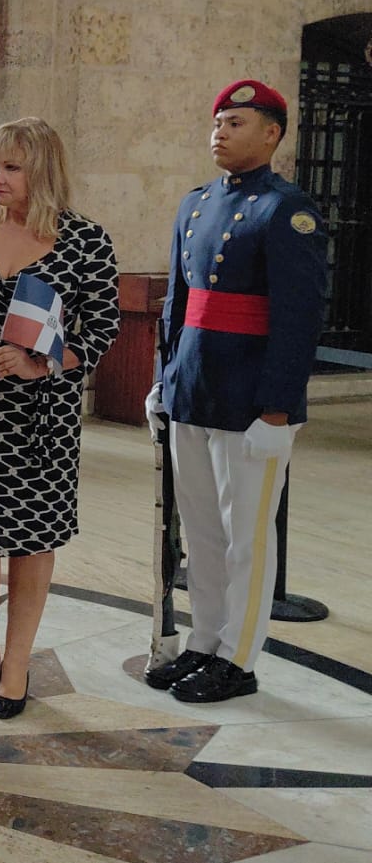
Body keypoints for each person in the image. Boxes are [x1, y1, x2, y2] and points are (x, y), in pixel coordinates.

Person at [0, 117, 119, 721]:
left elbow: (104, 328)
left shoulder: (86, 241)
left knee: (31, 542)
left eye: (11, 166)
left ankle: (17, 662)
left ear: (42, 171)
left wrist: (44, 364)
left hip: (43, 419)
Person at [144, 80, 327, 704]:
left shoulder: (287, 211)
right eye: (217, 120)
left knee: (247, 537)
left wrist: (278, 408)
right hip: (193, 390)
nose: (220, 131)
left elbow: (298, 320)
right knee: (202, 532)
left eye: (237, 122)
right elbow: (178, 306)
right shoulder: (194, 204)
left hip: (252, 401)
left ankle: (239, 659)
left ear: (273, 135)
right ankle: (204, 641)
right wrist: (162, 383)